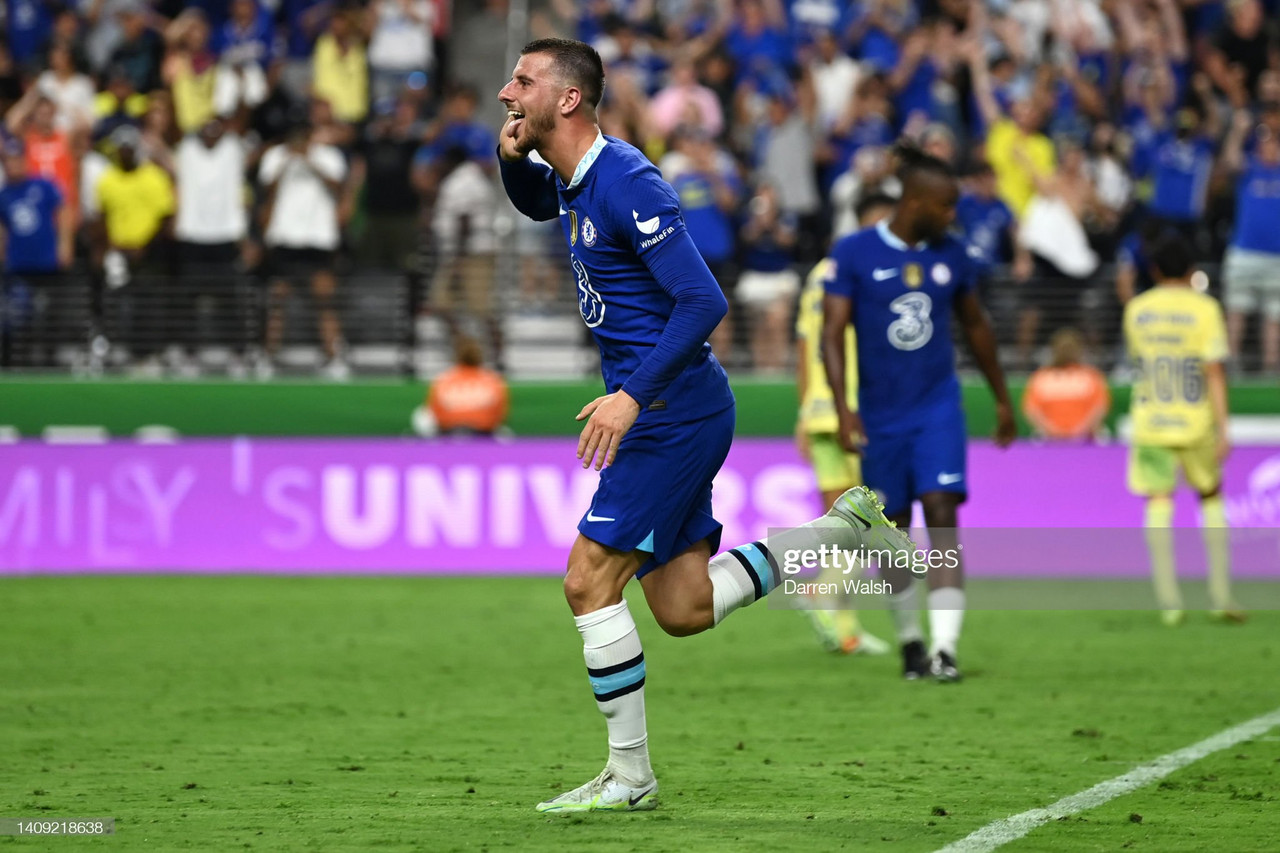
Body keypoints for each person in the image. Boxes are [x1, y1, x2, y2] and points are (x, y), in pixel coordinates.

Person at [496, 37, 912, 813]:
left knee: (587, 581)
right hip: (667, 406)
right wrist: (511, 158)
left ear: (568, 99)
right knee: (684, 607)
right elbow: (535, 203)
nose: (504, 92)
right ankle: (840, 532)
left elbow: (704, 301)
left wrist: (631, 397)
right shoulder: (574, 176)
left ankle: (630, 777)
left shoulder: (626, 180)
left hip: (668, 409)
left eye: (522, 80)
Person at [821, 141, 1017, 683]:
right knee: (893, 534)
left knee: (943, 514)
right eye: (947, 206)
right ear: (917, 202)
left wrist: (1002, 398)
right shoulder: (855, 252)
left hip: (937, 408)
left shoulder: (951, 255)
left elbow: (976, 327)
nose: (953, 216)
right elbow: (831, 334)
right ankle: (911, 642)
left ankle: (946, 649)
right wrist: (844, 409)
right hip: (880, 417)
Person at [794, 192, 897, 656]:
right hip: (856, 409)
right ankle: (823, 592)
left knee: (842, 523)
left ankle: (845, 629)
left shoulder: (820, 273)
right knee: (878, 517)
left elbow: (803, 347)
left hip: (819, 409)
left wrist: (803, 411)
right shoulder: (869, 270)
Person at [1123, 232, 1242, 625]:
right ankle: (1221, 596)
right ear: (1192, 270)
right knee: (1210, 496)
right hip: (1196, 424)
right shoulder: (1205, 309)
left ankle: (1170, 603)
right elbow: (1214, 372)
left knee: (1159, 502)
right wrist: (1224, 428)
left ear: (1154, 269)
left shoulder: (1137, 310)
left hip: (1152, 423)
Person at [257, 121, 349, 380]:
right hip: (285, 236)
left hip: (318, 238)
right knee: (277, 300)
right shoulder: (275, 156)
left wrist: (309, 161)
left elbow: (337, 187)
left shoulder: (329, 156)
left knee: (324, 300)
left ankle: (334, 358)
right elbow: (267, 190)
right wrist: (287, 162)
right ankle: (267, 357)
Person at [1220, 111, 1280, 374]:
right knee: (1235, 311)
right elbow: (1229, 160)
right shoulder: (1249, 168)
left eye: (1272, 140)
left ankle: (1270, 368)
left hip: (1276, 257)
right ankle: (1232, 363)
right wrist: (1238, 131)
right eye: (1263, 140)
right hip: (1244, 253)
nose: (1266, 145)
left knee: (1274, 317)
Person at [1021, 328, 1111, 441]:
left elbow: (1100, 407)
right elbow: (1032, 410)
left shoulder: (1091, 376)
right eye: (1063, 348)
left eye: (1070, 348)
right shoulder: (1041, 377)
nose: (1066, 352)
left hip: (1086, 438)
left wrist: (1081, 430)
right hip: (1048, 438)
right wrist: (1051, 430)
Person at [413, 336, 509, 437]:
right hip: (483, 436)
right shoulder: (492, 380)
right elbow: (500, 414)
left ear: (457, 356)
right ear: (480, 356)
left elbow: (434, 411)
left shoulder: (444, 380)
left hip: (449, 436)